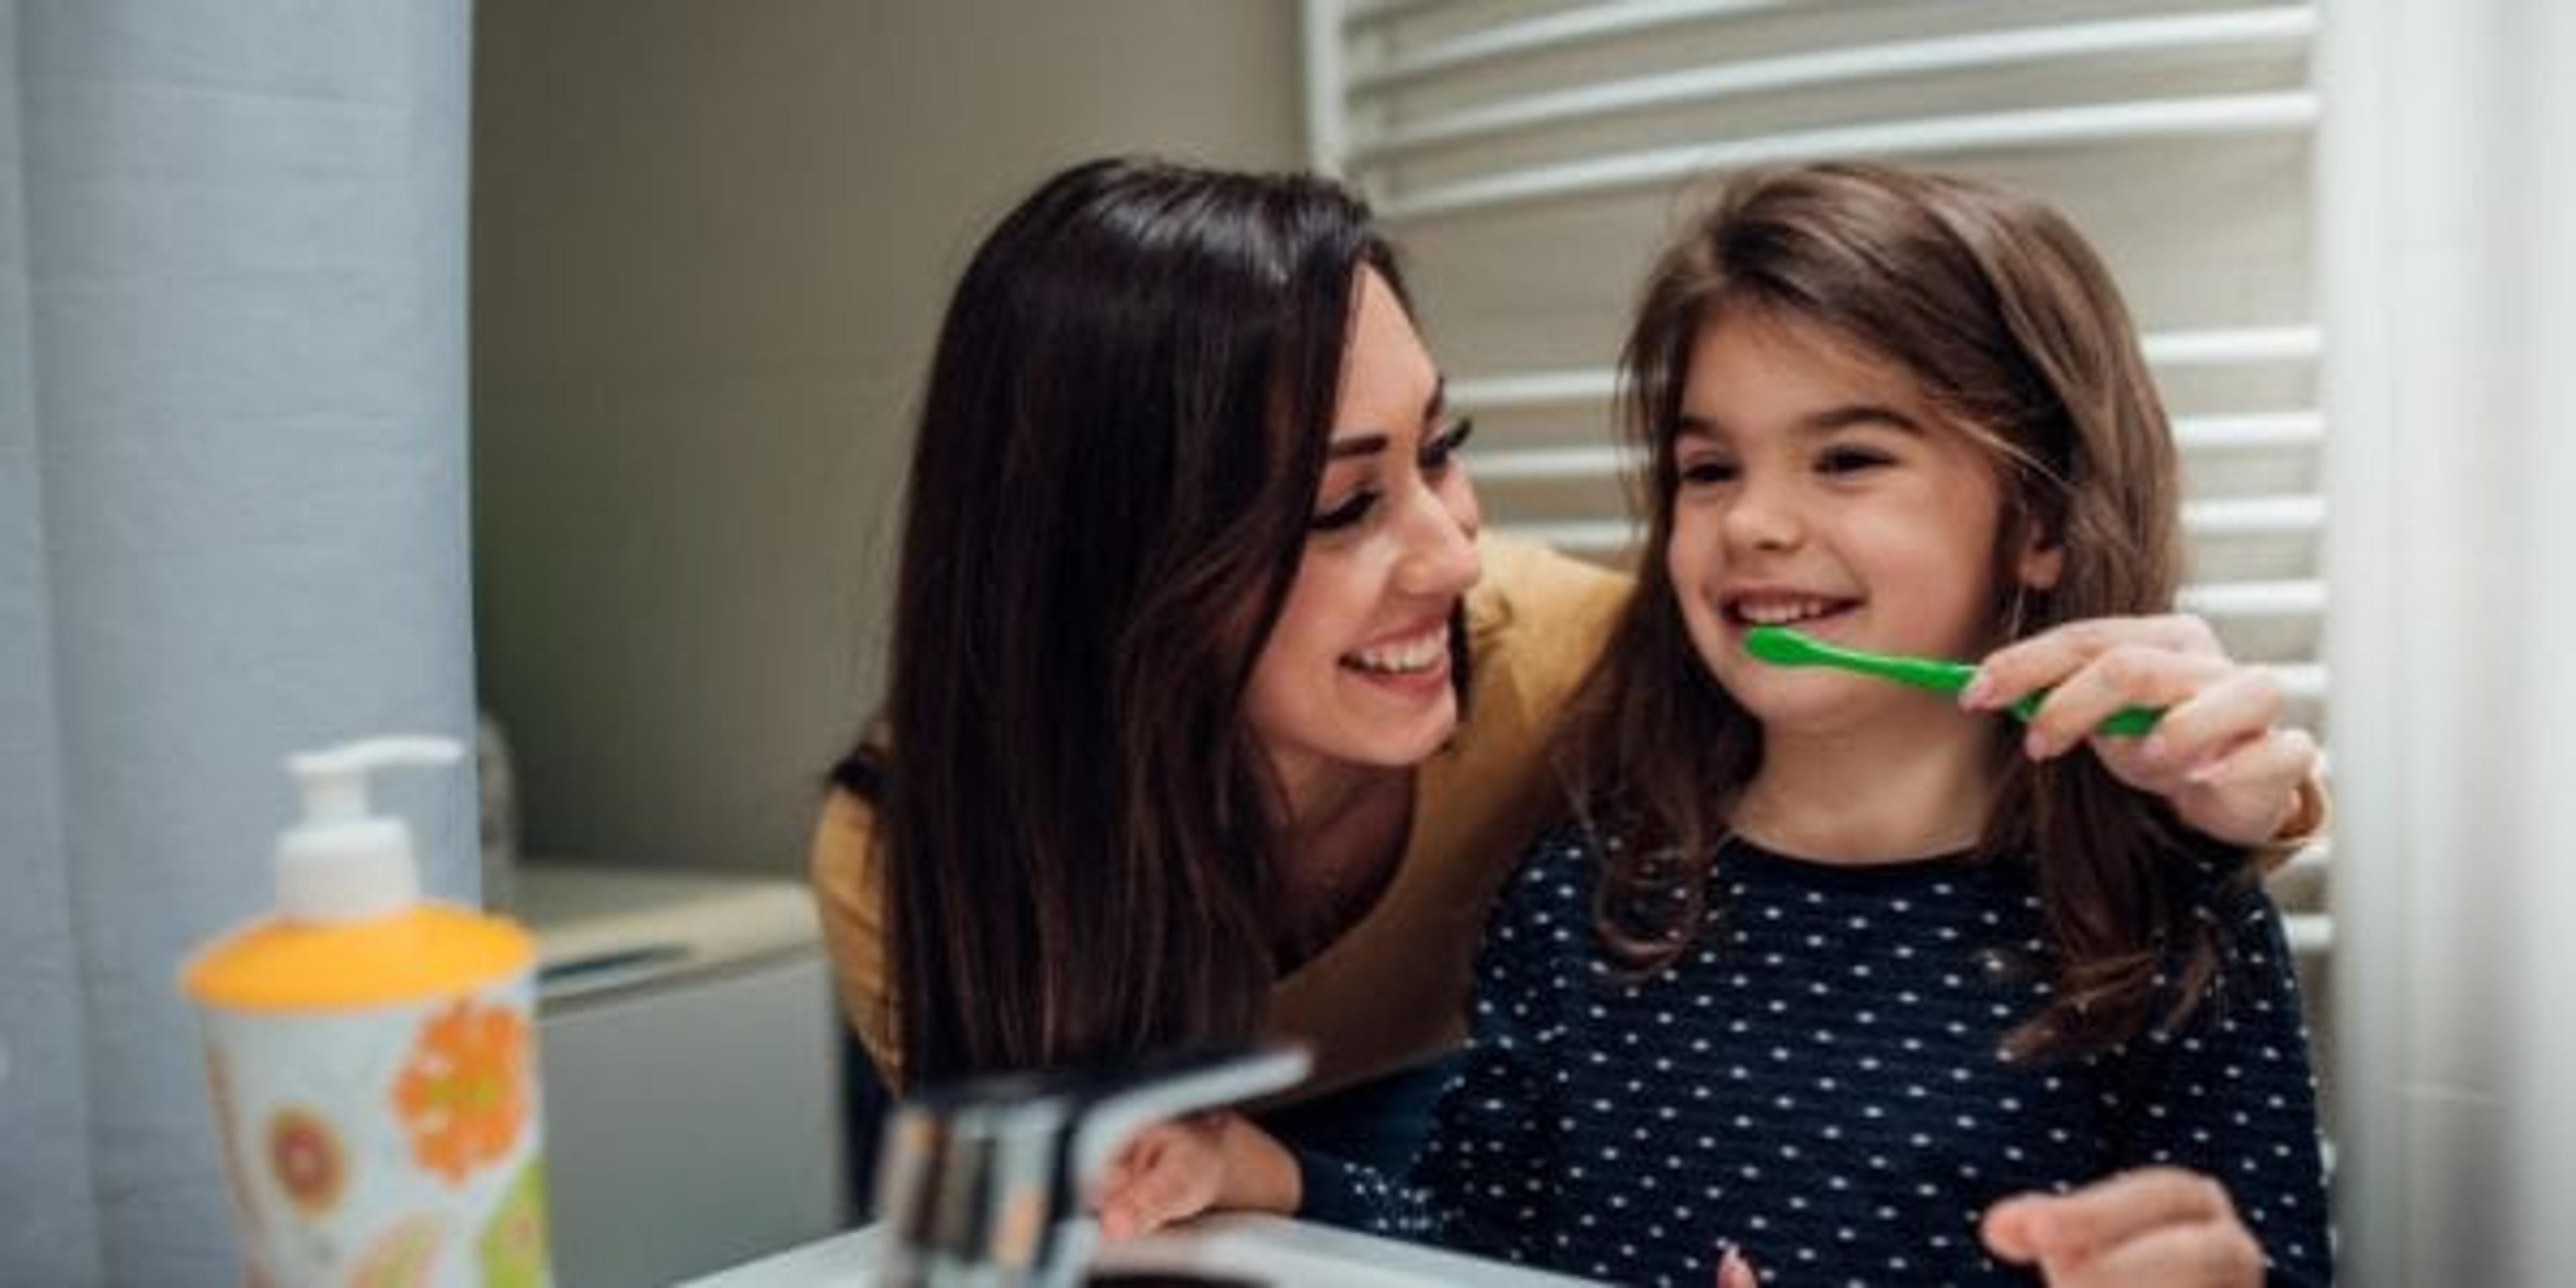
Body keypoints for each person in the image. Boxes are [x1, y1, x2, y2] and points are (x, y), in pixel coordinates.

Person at [812, 157, 2326, 1183]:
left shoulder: (1579, 665)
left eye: (1440, 454)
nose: (1457, 556)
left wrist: (2240, 797)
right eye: (1347, 507)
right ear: (1123, 574)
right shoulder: (915, 860)